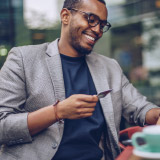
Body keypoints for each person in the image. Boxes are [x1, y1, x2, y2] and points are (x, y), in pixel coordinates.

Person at [0, 0, 160, 160]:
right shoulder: (23, 59)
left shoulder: (110, 67)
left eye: (102, 25)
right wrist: (57, 112)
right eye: (91, 19)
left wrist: (156, 114)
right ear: (65, 16)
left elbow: (140, 108)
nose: (97, 30)